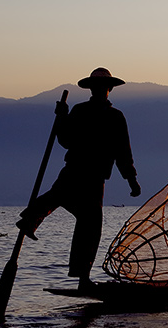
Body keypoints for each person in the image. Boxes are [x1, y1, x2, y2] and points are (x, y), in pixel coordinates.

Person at [17, 67, 141, 291]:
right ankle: (30, 221)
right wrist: (62, 116)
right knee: (85, 220)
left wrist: (131, 179)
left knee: (77, 215)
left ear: (107, 89)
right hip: (83, 173)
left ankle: (30, 221)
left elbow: (123, 152)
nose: (101, 89)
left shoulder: (111, 116)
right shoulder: (93, 113)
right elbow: (66, 139)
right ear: (103, 89)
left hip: (88, 175)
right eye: (99, 86)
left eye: (102, 86)